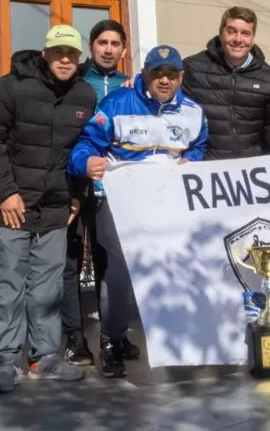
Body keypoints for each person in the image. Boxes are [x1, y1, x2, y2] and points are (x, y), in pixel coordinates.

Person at [69, 45, 208, 378]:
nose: (164, 80)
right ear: (145, 74)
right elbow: (86, 144)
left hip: (167, 204)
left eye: (171, 74)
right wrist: (85, 162)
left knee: (174, 267)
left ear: (181, 77)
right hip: (119, 202)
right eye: (157, 73)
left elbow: (199, 147)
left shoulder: (193, 111)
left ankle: (174, 337)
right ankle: (111, 341)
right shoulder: (116, 103)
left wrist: (196, 161)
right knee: (119, 269)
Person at [0, 25, 98, 391]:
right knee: (8, 284)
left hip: (56, 206)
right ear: (45, 53)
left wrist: (77, 196)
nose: (65, 59)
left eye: (72, 54)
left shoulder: (84, 95)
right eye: (58, 52)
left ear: (79, 58)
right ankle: (6, 361)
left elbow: (82, 150)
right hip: (10, 206)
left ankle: (44, 357)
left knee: (48, 287)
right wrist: (5, 193)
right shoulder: (10, 87)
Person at [62, 20, 133, 368]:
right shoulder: (75, 83)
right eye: (102, 42)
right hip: (75, 182)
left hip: (115, 188)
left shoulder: (132, 87)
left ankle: (114, 334)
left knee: (112, 261)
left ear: (123, 49)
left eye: (115, 43)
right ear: (91, 47)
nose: (108, 49)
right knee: (71, 260)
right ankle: (75, 338)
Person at [182, 6, 270, 159]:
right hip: (206, 166)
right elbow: (164, 89)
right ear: (221, 33)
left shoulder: (268, 79)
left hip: (249, 168)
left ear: (253, 39)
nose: (238, 39)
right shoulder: (192, 68)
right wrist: (140, 81)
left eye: (245, 33)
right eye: (231, 31)